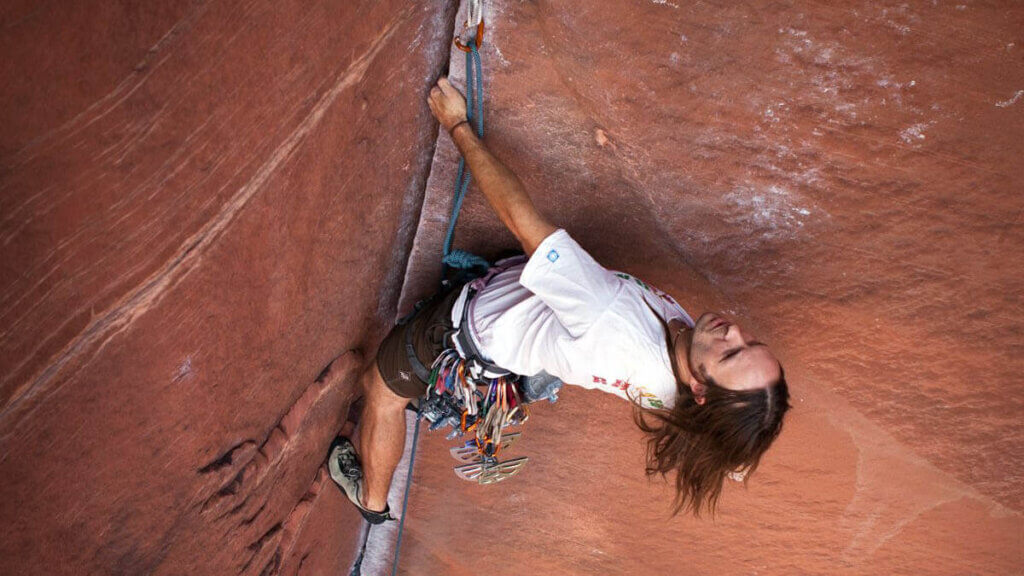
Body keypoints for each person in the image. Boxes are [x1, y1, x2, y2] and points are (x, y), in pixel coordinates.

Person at [328, 77, 790, 522]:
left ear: (701, 391)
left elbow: (519, 217)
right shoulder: (685, 387)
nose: (732, 331)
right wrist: (735, 455)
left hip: (465, 333)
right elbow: (716, 432)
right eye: (750, 342)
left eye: (731, 353)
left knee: (381, 390)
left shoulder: (609, 315)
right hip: (525, 350)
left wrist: (456, 125)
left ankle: (370, 499)